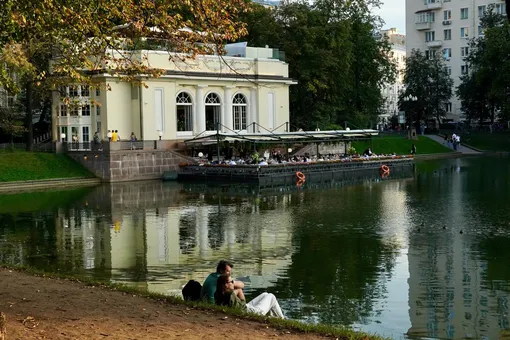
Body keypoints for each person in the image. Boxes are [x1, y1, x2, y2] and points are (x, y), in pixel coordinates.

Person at [214, 274, 285, 319]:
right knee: (271, 296)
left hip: (246, 307)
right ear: (225, 285)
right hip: (251, 312)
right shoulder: (230, 294)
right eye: (231, 282)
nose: (233, 283)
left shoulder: (217, 293)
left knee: (265, 294)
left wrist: (238, 290)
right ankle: (282, 319)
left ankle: (273, 317)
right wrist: (239, 292)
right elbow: (242, 304)